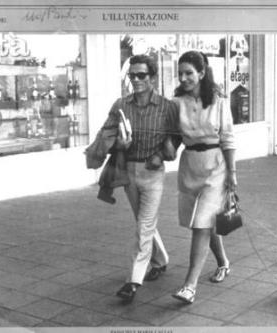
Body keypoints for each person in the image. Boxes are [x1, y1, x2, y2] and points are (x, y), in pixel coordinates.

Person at [99, 54, 179, 303]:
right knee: (143, 222)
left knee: (144, 226)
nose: (135, 80)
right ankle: (161, 259)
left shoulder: (167, 107)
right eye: (131, 75)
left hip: (153, 172)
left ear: (152, 77)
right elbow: (106, 135)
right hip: (129, 171)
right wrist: (118, 145)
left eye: (141, 75)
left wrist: (161, 155)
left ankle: (133, 281)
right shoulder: (121, 105)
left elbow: (177, 136)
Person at [171, 51, 237, 304]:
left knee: (201, 224)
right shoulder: (176, 103)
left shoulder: (219, 100)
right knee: (204, 222)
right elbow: (171, 139)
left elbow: (228, 138)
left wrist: (232, 173)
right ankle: (223, 263)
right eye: (181, 73)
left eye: (189, 72)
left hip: (216, 167)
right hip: (189, 166)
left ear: (201, 72)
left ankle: (189, 286)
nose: (184, 78)